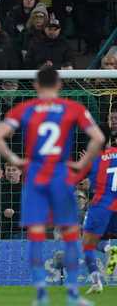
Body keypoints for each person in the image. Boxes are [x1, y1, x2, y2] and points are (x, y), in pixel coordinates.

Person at [0, 66, 105, 306]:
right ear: (59, 84)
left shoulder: (26, 108)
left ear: (36, 85)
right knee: (71, 234)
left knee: (36, 235)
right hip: (61, 176)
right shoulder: (73, 108)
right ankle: (73, 294)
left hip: (35, 176)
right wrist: (82, 162)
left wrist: (15, 160)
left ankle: (41, 295)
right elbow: (99, 138)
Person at [77, 126, 117, 294]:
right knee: (104, 238)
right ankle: (109, 249)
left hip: (102, 206)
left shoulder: (92, 159)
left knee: (87, 243)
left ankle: (96, 282)